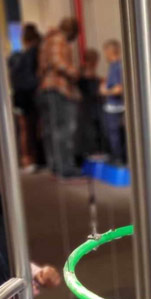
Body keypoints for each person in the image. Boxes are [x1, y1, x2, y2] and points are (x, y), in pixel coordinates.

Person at [37, 17, 80, 178]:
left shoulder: (47, 39)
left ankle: (55, 165)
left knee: (51, 130)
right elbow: (58, 61)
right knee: (64, 129)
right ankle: (65, 167)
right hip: (58, 88)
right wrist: (74, 72)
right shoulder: (58, 39)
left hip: (46, 88)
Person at [8, 24, 42, 171]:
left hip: (19, 95)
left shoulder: (18, 57)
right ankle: (31, 158)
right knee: (30, 128)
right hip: (29, 94)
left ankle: (27, 159)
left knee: (25, 129)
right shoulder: (33, 54)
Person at [99, 39, 125, 165]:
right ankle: (116, 156)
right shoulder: (114, 66)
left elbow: (119, 88)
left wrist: (105, 92)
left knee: (114, 133)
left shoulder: (117, 67)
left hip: (115, 106)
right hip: (114, 106)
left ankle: (117, 158)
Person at [77, 48, 105, 160]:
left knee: (93, 126)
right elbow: (91, 87)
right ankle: (92, 150)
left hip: (89, 104)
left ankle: (94, 150)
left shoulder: (84, 71)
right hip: (88, 104)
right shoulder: (85, 72)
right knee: (90, 127)